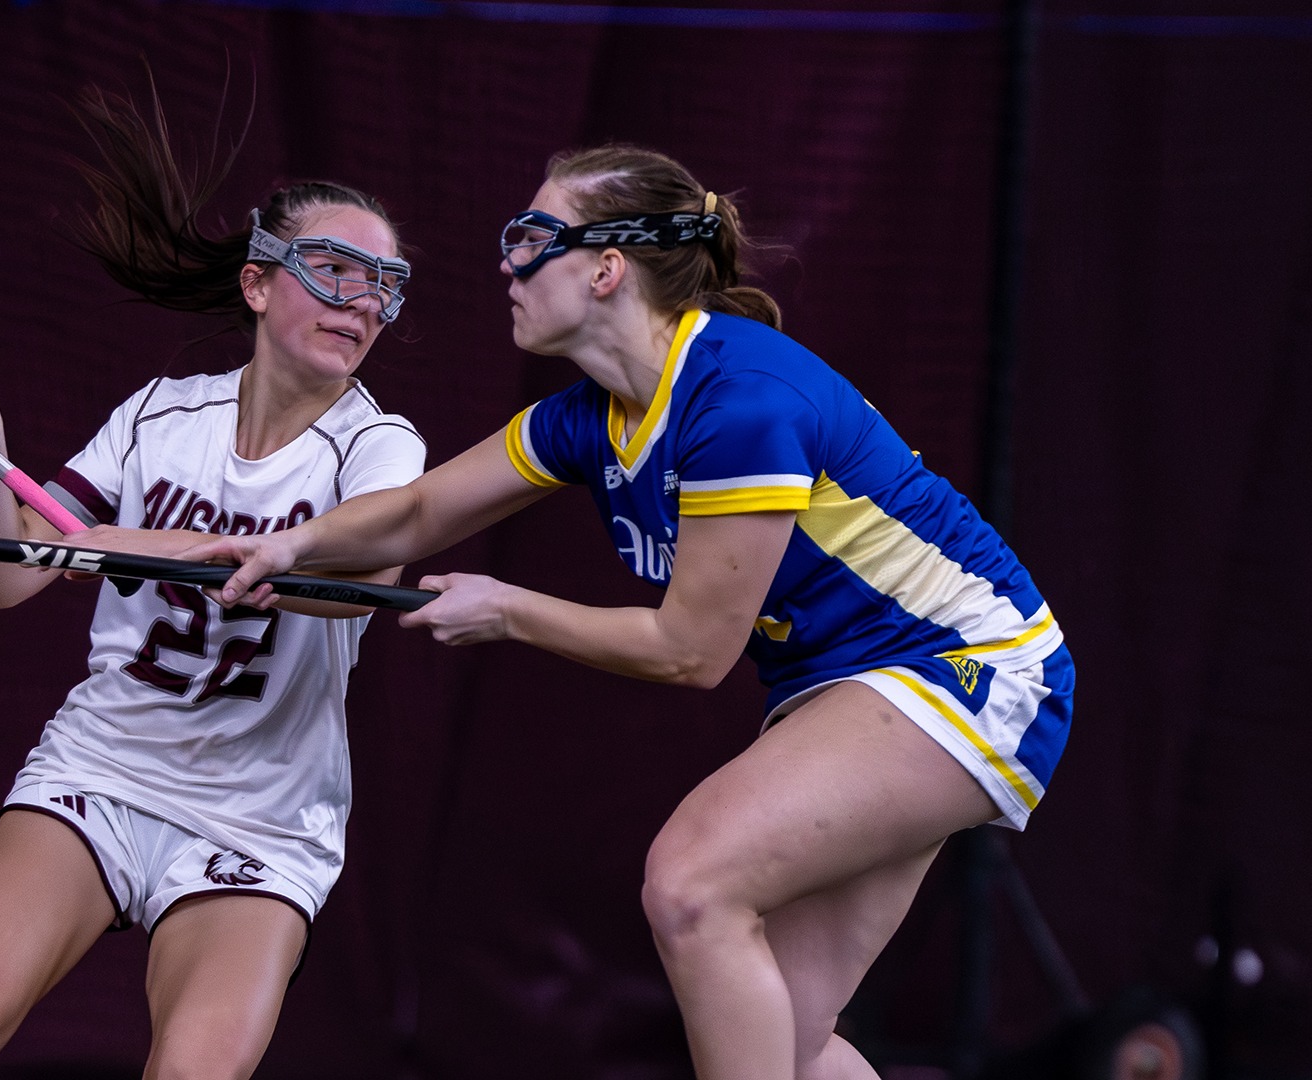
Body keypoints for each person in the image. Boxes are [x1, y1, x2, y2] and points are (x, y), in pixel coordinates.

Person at [191, 144, 1073, 1080]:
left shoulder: (740, 403)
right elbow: (417, 512)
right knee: (789, 1040)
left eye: (531, 239)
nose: (506, 263)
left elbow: (690, 652)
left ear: (607, 269)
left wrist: (511, 612)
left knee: (692, 884)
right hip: (850, 684)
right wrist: (287, 545)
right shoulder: (593, 415)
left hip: (975, 669)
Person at [0, 88, 425, 1080]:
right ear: (258, 285)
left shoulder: (377, 447)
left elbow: (356, 585)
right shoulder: (162, 415)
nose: (363, 303)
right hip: (102, 773)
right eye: (335, 272)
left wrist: (130, 541)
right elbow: (9, 579)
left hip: (260, 820)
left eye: (385, 285)